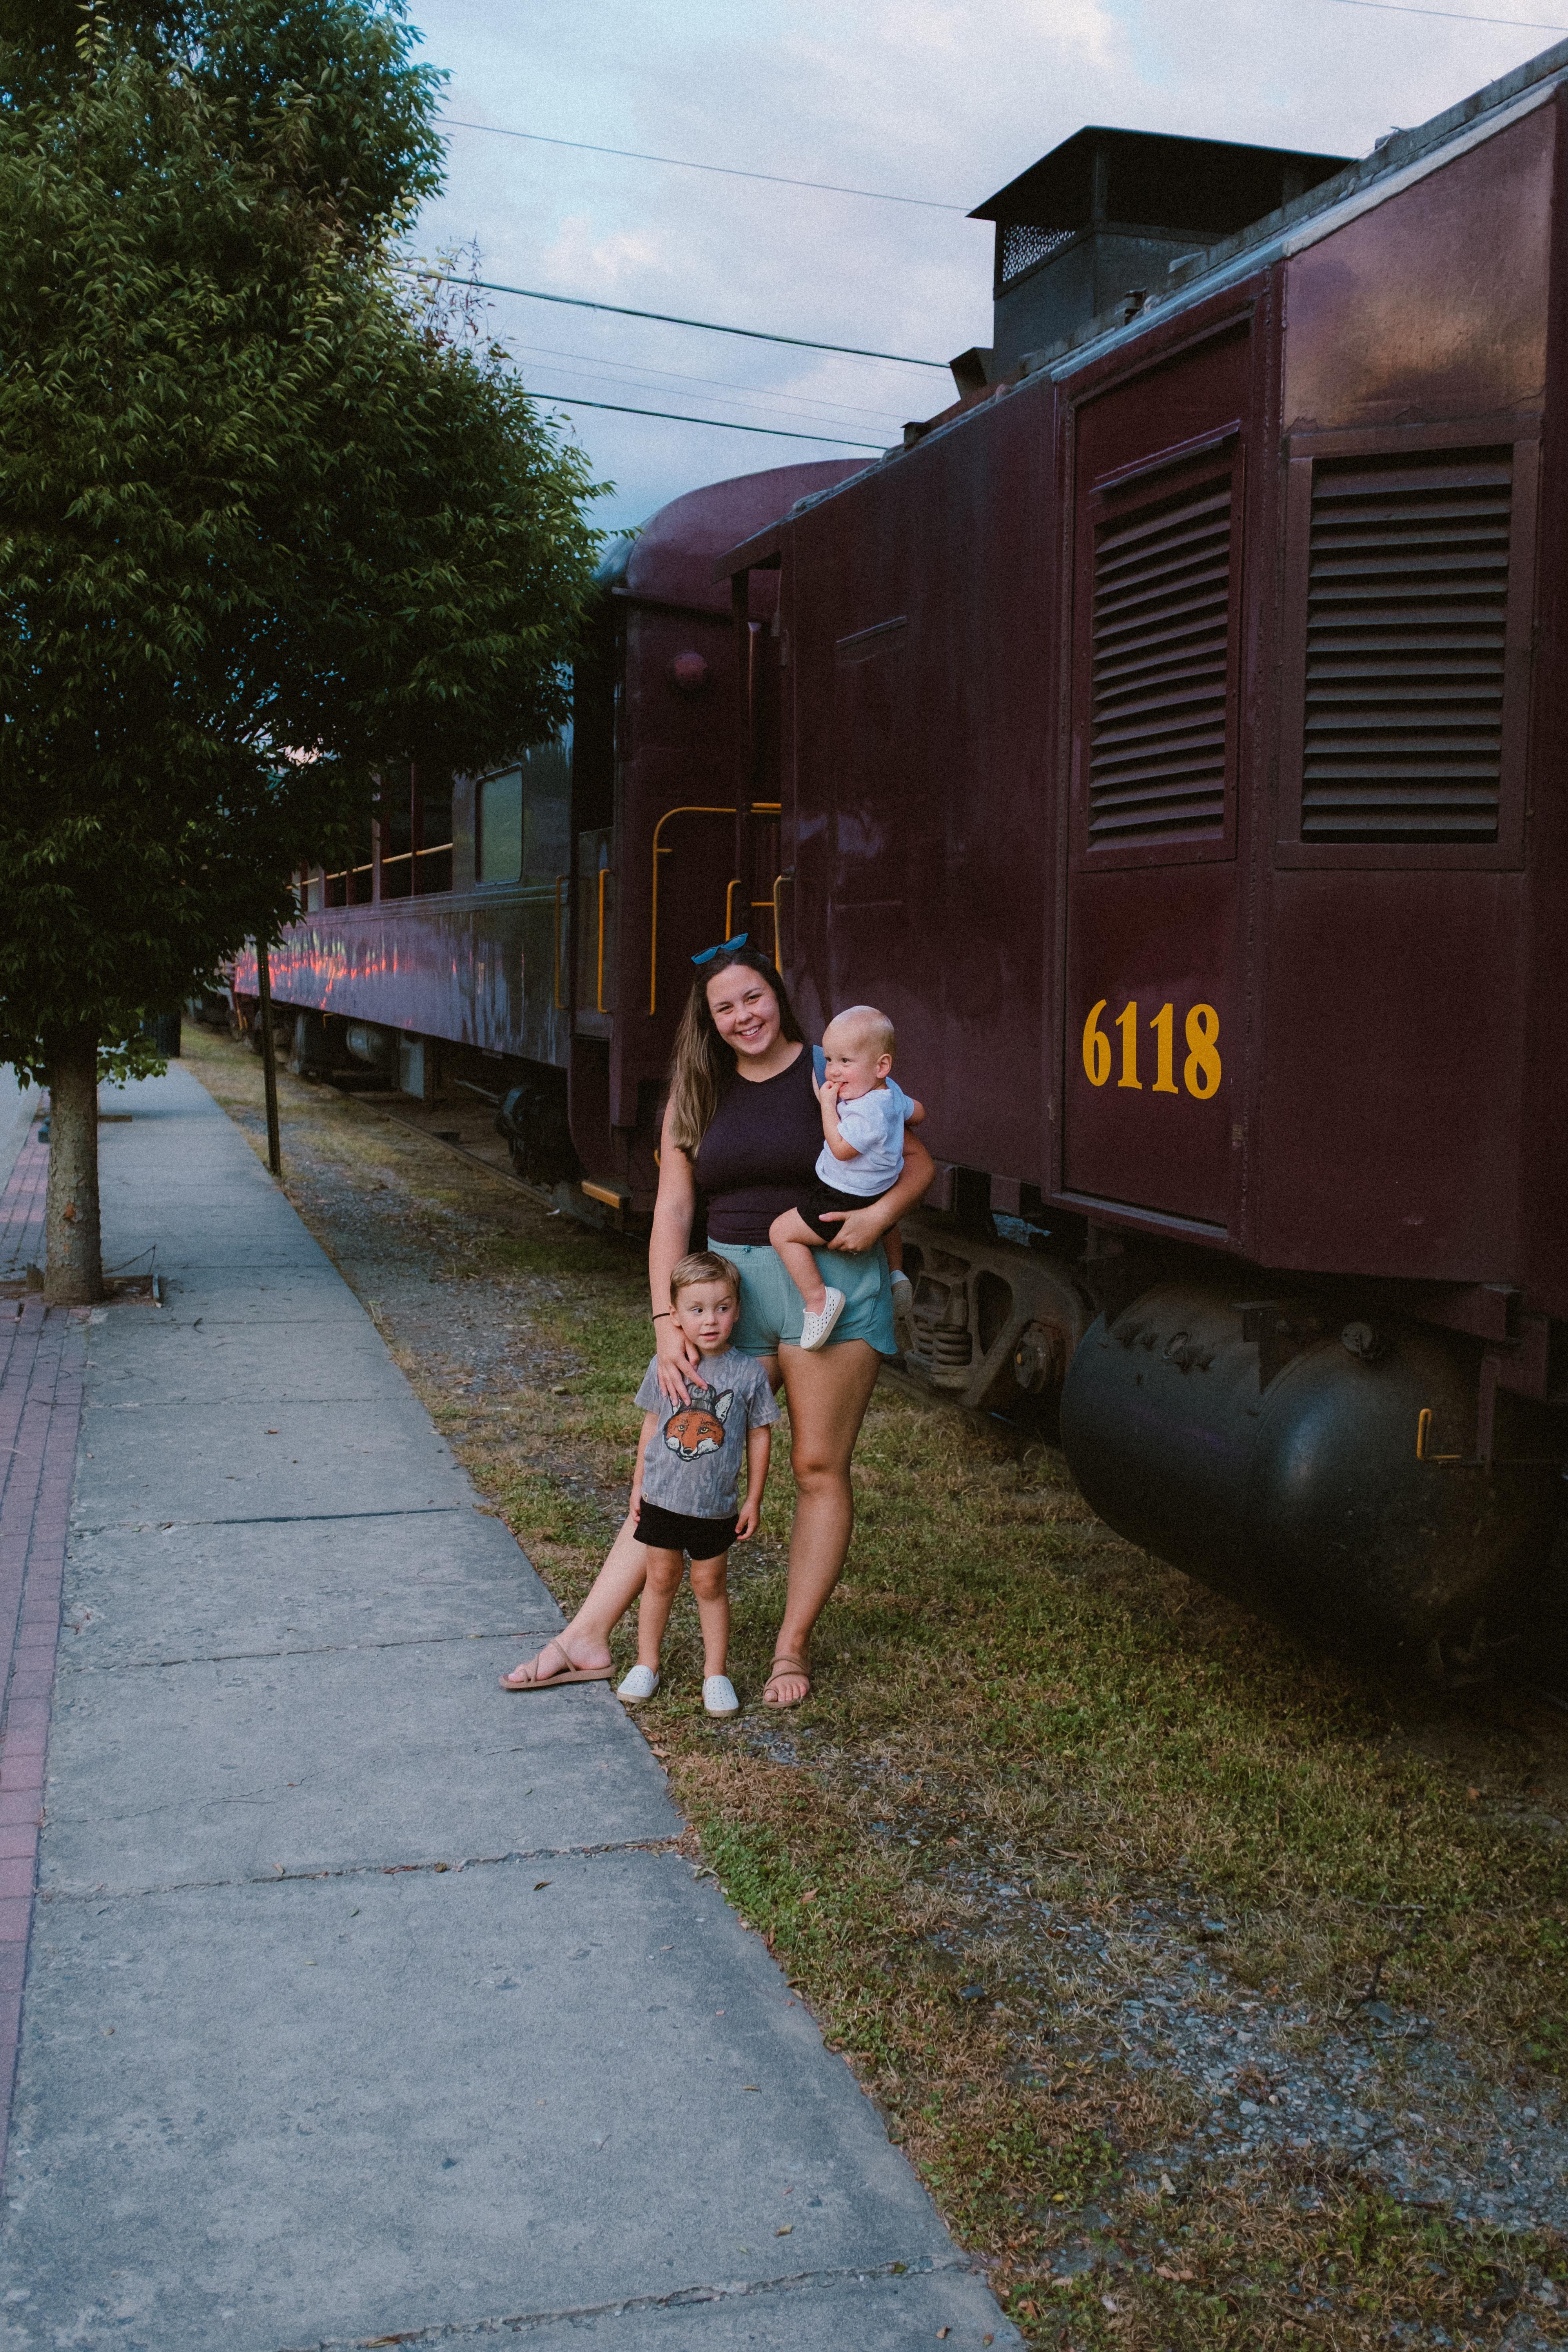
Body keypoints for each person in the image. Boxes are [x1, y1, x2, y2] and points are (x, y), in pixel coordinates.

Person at [500, 937, 934, 1708]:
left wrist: (881, 1221)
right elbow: (672, 1211)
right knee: (681, 1467)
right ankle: (587, 1636)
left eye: (753, 998)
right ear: (708, 1021)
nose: (743, 1016)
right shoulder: (695, 1092)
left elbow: (915, 1158)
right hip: (728, 1302)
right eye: (724, 1007)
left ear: (777, 995)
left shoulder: (828, 1068)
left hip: (827, 1287)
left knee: (815, 1468)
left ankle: (789, 1652)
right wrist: (669, 1318)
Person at [612, 1249, 777, 1717]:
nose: (711, 1321)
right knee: (660, 1577)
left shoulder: (748, 1374)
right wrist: (637, 1484)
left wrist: (753, 1498)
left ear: (737, 1311)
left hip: (715, 1506)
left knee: (710, 1583)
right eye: (697, 1310)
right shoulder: (665, 1364)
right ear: (676, 1315)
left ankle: (715, 1673)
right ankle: (647, 1663)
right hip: (662, 1497)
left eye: (722, 1308)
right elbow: (651, 1426)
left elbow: (759, 1434)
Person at [767, 1004, 923, 1350]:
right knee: (889, 1226)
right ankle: (896, 1274)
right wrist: (898, 1115)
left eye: (845, 1062)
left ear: (881, 1066)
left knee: (782, 1232)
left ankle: (820, 1302)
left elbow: (841, 1149)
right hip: (881, 1190)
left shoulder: (866, 1111)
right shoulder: (890, 1094)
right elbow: (920, 1111)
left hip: (844, 1197)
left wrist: (827, 1105)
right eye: (831, 1060)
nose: (833, 1073)